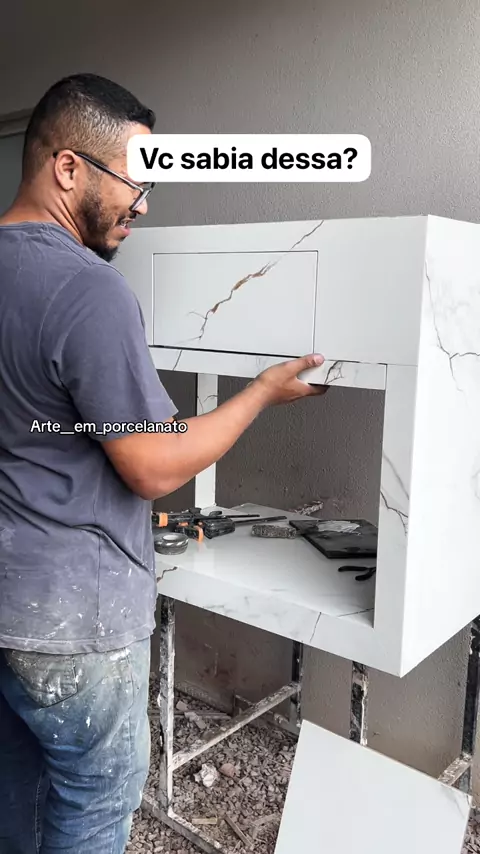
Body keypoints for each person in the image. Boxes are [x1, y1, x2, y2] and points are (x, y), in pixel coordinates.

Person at [0, 72, 327, 854]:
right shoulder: (89, 291)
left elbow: (49, 416)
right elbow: (152, 469)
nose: (143, 204)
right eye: (134, 181)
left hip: (10, 599)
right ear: (68, 167)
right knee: (93, 798)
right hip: (73, 620)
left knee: (20, 787)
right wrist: (258, 395)